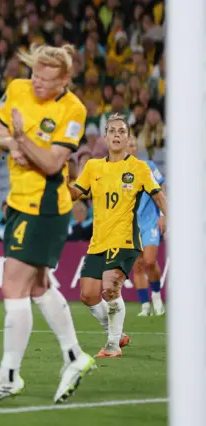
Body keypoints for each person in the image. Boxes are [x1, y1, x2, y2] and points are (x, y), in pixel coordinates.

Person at [0, 44, 95, 407]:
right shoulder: (19, 89)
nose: (37, 83)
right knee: (38, 285)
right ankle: (74, 356)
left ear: (65, 80)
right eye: (35, 74)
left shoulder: (74, 110)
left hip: (46, 205)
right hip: (20, 201)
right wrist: (16, 143)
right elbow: (0, 136)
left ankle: (8, 375)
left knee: (13, 286)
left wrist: (23, 140)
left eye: (46, 79)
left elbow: (54, 164)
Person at [70, 114, 167, 358]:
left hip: (125, 239)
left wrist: (169, 217)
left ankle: (113, 345)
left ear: (127, 138)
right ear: (105, 137)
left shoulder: (139, 168)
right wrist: (60, 176)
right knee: (88, 295)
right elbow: (74, 194)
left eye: (121, 131)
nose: (116, 134)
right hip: (98, 242)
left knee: (111, 286)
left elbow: (158, 195)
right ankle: (117, 333)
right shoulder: (93, 167)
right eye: (112, 130)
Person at [126, 136, 166, 316]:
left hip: (150, 220)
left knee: (150, 261)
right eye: (129, 145)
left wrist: (164, 214)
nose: (131, 148)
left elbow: (161, 188)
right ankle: (144, 305)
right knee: (138, 265)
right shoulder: (118, 171)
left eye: (134, 145)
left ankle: (157, 297)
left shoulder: (148, 166)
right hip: (130, 224)